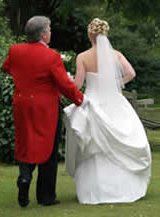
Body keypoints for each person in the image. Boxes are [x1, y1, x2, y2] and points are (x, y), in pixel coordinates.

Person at [64, 18, 151, 204]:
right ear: (105, 34)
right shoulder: (116, 55)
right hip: (115, 103)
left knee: (95, 146)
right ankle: (123, 188)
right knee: (120, 141)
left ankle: (95, 190)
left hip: (93, 103)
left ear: (90, 35)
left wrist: (67, 80)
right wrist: (114, 83)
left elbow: (78, 84)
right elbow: (131, 73)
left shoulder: (83, 57)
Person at [2, 16, 86, 207]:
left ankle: (24, 177)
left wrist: (25, 79)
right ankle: (46, 196)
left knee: (25, 142)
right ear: (43, 34)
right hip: (45, 107)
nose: (50, 32)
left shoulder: (15, 50)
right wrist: (80, 99)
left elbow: (6, 67)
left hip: (22, 104)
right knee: (48, 147)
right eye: (49, 29)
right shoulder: (52, 56)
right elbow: (65, 85)